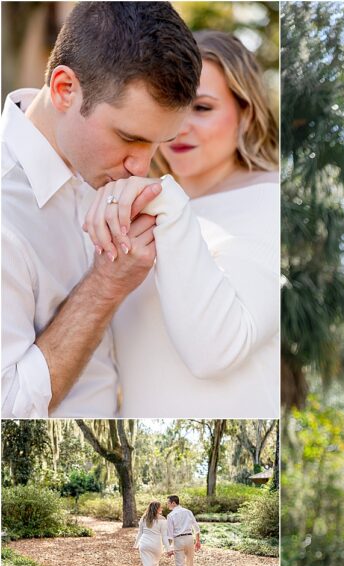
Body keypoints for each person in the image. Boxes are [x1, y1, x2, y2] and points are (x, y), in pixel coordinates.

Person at [1, 2, 201, 417]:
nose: (141, 167)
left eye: (157, 144)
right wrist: (107, 284)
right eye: (129, 137)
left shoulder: (107, 172)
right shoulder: (7, 211)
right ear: (64, 90)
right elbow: (10, 406)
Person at [86, 30, 280, 417]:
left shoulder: (274, 201)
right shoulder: (130, 200)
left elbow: (215, 350)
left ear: (247, 113)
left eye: (202, 107)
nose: (179, 127)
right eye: (170, 106)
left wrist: (168, 206)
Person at [164, 495, 201, 566]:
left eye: (168, 502)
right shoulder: (188, 512)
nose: (167, 504)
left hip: (178, 540)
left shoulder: (170, 516)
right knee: (190, 562)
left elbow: (170, 535)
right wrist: (197, 541)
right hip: (189, 538)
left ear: (174, 503)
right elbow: (196, 528)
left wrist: (169, 548)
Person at [135, 501, 171, 566]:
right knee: (154, 564)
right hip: (156, 545)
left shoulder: (143, 518)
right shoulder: (163, 520)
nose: (162, 509)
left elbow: (140, 533)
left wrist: (136, 544)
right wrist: (168, 549)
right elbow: (164, 536)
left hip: (144, 544)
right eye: (161, 508)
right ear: (157, 509)